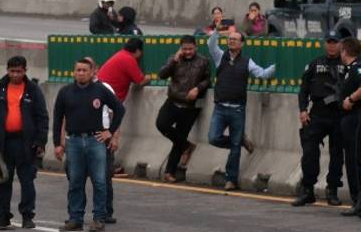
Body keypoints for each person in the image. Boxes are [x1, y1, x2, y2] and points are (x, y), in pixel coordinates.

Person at [53, 59, 125, 232]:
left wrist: (110, 131)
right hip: (74, 142)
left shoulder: (100, 90)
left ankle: (99, 217)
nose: (81, 73)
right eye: (78, 70)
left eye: (85, 70)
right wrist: (57, 143)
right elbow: (57, 119)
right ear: (73, 72)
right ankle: (75, 218)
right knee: (75, 182)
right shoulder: (65, 92)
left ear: (92, 72)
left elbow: (119, 109)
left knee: (100, 181)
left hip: (95, 141)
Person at [0, 56, 49, 229]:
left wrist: (40, 141)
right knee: (3, 180)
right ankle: (3, 215)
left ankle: (27, 215)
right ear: (7, 70)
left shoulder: (33, 90)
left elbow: (42, 117)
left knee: (27, 181)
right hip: (3, 144)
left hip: (26, 144)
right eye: (12, 71)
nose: (15, 75)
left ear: (25, 71)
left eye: (19, 71)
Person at [207, 26, 276, 191]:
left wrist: (278, 65)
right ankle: (239, 142)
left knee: (235, 147)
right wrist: (217, 30)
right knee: (213, 138)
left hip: (237, 109)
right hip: (220, 108)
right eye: (230, 38)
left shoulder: (247, 62)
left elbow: (262, 74)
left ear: (242, 44)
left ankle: (231, 180)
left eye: (235, 39)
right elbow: (211, 44)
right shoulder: (220, 57)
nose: (231, 41)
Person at [96, 37, 150, 221]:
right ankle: (104, 211)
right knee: (103, 170)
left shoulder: (120, 56)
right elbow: (140, 80)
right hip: (110, 108)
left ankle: (102, 211)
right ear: (139, 51)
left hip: (107, 107)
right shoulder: (128, 59)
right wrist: (151, 77)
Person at [293, 33, 346, 207]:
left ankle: (332, 190)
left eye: (335, 43)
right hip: (317, 114)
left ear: (340, 45)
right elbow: (303, 90)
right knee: (309, 151)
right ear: (325, 44)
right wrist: (303, 110)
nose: (332, 46)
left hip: (339, 115)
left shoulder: (346, 65)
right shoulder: (315, 64)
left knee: (337, 154)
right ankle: (308, 190)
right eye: (329, 43)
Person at [155, 34, 210, 183]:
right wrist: (173, 61)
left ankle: (169, 172)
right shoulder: (174, 59)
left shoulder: (203, 61)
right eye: (184, 49)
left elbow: (208, 80)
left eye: (190, 49)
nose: (187, 52)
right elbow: (161, 75)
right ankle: (187, 146)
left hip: (191, 106)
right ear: (180, 48)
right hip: (173, 101)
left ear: (195, 47)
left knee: (179, 136)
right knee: (161, 124)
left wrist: (198, 88)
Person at [337, 36, 361, 206]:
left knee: (356, 159)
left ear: (345, 51)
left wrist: (351, 99)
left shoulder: (358, 69)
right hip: (353, 119)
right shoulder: (351, 69)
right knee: (353, 158)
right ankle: (360, 198)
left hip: (358, 117)